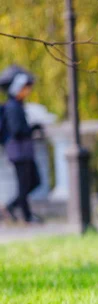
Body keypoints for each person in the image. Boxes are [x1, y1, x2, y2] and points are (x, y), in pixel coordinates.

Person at [1, 72, 41, 224]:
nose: (28, 91)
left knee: (34, 181)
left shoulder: (18, 105)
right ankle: (27, 216)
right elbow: (17, 129)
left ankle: (12, 206)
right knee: (24, 184)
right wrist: (32, 128)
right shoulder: (12, 107)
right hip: (18, 151)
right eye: (26, 88)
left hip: (24, 151)